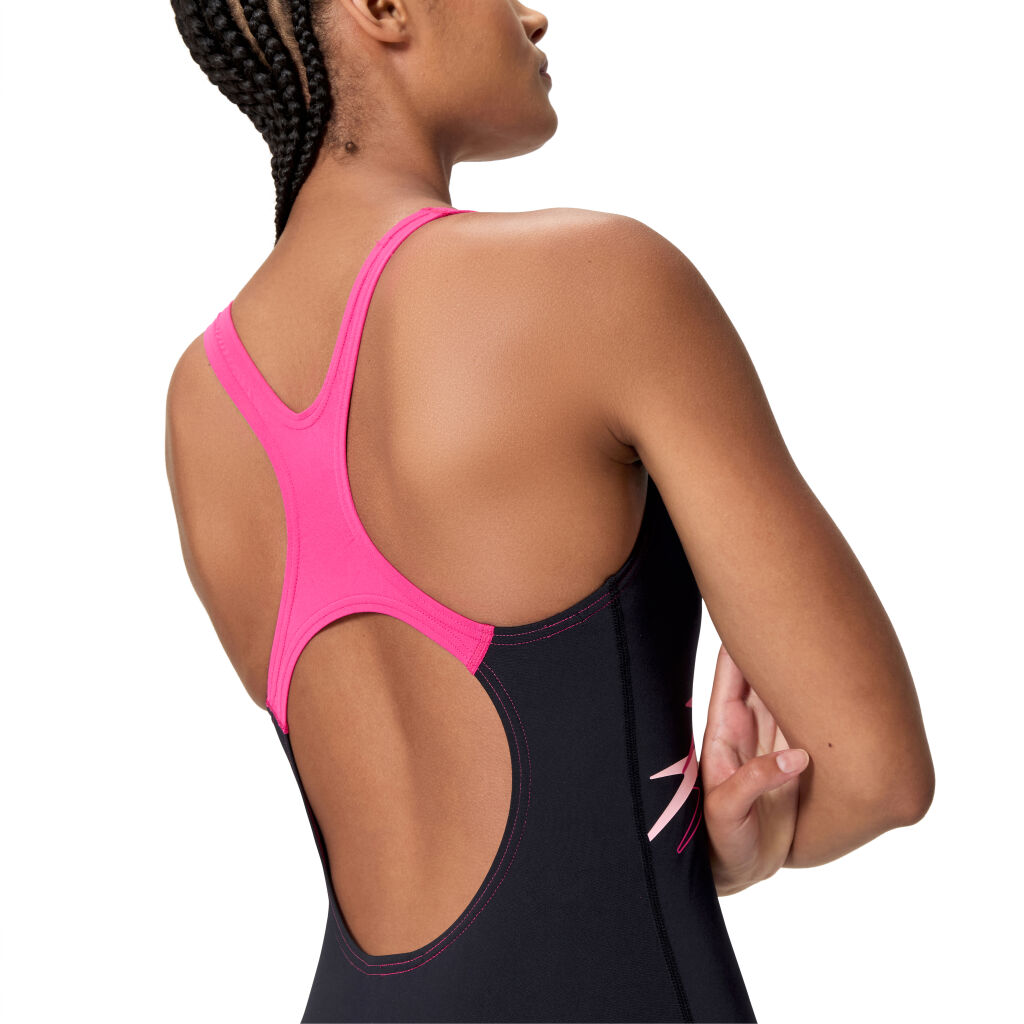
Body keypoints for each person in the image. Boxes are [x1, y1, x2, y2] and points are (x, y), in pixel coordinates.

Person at [163, 2, 935, 1021]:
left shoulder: (201, 404)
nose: (532, 14)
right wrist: (721, 847)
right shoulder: (597, 280)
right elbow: (875, 773)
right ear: (382, 8)